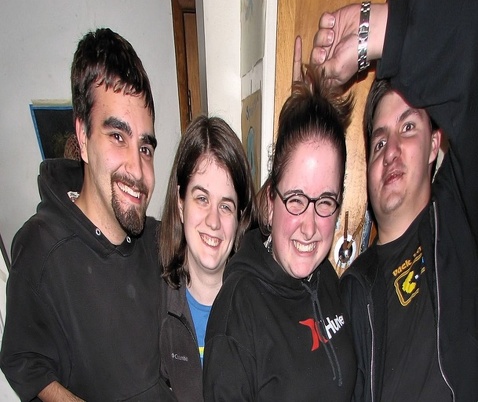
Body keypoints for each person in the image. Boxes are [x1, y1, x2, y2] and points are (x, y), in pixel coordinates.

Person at [309, 0, 478, 401]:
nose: (392, 151)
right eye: (380, 141)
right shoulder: (351, 290)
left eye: (408, 128)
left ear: (435, 144)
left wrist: (382, 27)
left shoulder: (460, 222)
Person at [0, 28, 175, 401]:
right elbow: (23, 360)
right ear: (82, 137)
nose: (138, 169)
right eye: (117, 137)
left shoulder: (157, 241)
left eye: (145, 147)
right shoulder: (41, 248)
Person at [203, 69, 357, 401]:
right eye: (296, 199)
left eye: (325, 202)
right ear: (271, 202)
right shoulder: (237, 315)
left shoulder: (327, 279)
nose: (310, 227)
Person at [158, 114, 255, 401]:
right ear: (180, 202)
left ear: (239, 218)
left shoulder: (256, 306)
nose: (213, 221)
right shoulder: (153, 304)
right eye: (202, 198)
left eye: (226, 206)